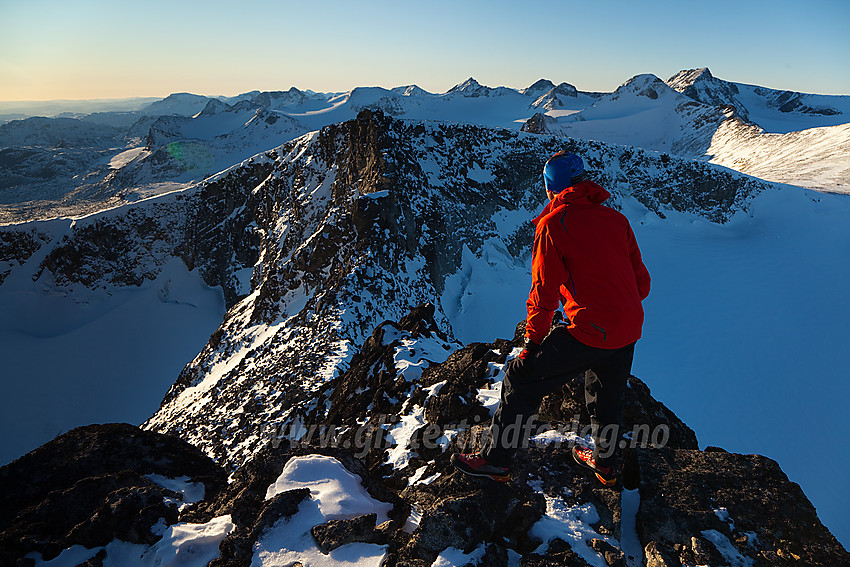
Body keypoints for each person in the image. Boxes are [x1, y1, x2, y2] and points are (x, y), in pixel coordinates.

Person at [451, 151, 651, 486]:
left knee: (521, 379)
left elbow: (543, 292)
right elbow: (641, 283)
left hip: (593, 327)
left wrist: (532, 341)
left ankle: (496, 460)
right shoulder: (617, 220)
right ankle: (606, 463)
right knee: (607, 395)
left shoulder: (553, 225)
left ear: (550, 188)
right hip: (629, 326)